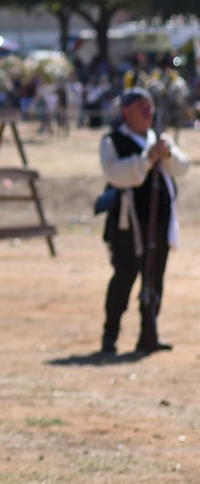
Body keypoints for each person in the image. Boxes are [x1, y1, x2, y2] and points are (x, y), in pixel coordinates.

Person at [99, 87, 190, 355]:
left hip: (160, 223)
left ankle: (149, 333)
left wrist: (166, 155)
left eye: (151, 107)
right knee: (125, 277)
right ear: (127, 112)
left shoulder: (159, 140)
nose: (148, 113)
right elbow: (116, 173)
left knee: (155, 279)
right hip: (129, 225)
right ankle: (110, 335)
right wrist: (147, 159)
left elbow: (183, 167)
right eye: (142, 107)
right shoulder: (113, 141)